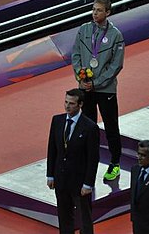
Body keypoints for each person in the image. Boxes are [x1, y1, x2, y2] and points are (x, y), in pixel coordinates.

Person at [72, 0, 125, 181]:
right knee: (88, 127)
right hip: (85, 88)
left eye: (99, 10)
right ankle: (89, 161)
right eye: (94, 9)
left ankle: (115, 163)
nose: (95, 13)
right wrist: (80, 75)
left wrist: (97, 83)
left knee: (111, 127)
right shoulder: (84, 29)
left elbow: (116, 66)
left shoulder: (115, 35)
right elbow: (76, 54)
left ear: (108, 12)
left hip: (106, 90)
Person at [47, 89, 100, 234]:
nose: (67, 106)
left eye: (71, 103)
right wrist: (50, 175)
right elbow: (52, 149)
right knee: (64, 217)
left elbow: (93, 158)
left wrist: (88, 184)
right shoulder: (57, 121)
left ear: (80, 104)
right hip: (61, 179)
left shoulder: (90, 127)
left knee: (84, 219)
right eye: (66, 102)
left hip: (80, 183)